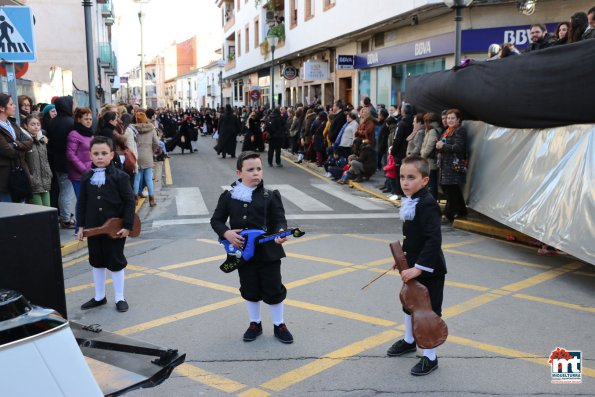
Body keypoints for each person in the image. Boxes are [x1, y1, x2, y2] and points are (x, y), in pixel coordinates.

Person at [210, 151, 293, 344]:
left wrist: (281, 233)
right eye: (250, 170)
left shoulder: (270, 196)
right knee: (249, 288)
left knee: (273, 288)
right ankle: (254, 323)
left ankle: (279, 324)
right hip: (242, 252)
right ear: (239, 172)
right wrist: (227, 233)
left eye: (259, 169)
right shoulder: (229, 196)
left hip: (269, 253)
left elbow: (279, 220)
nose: (256, 173)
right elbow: (216, 220)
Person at [386, 154, 447, 376]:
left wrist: (418, 268)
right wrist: (402, 260)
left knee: (427, 312)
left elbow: (433, 240)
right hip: (411, 265)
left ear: (425, 180)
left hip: (429, 269)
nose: (405, 182)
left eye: (411, 177)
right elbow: (412, 237)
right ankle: (409, 340)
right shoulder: (412, 200)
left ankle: (430, 357)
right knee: (410, 304)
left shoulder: (428, 204)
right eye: (402, 177)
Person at [76, 135, 136, 313]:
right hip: (93, 227)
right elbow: (82, 203)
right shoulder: (86, 177)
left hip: (115, 229)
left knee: (115, 261)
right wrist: (80, 226)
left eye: (104, 153)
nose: (100, 157)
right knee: (97, 261)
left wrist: (127, 225)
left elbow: (129, 201)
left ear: (111, 155)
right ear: (90, 155)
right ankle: (99, 296)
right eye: (96, 153)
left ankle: (119, 297)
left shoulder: (120, 177)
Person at [46, 96, 76, 228]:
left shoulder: (52, 122)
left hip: (56, 160)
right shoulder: (71, 122)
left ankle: (64, 214)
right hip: (68, 162)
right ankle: (66, 218)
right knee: (67, 191)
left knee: (62, 189)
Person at [436, 109, 468, 223]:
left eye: (452, 118)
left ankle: (448, 214)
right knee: (452, 189)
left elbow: (459, 147)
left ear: (458, 119)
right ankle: (462, 211)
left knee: (450, 190)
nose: (449, 120)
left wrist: (443, 146)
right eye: (448, 118)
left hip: (454, 165)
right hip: (445, 165)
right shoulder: (447, 131)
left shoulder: (460, 131)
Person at [0, 93, 33, 203]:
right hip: (5, 178)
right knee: (8, 213)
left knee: (21, 211)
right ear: (1, 108)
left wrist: (16, 144)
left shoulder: (12, 123)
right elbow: (8, 151)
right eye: (11, 104)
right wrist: (21, 149)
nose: (14, 106)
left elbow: (29, 141)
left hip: (20, 174)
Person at [66, 107, 94, 225]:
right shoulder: (74, 134)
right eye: (86, 119)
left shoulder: (90, 134)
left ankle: (87, 225)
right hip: (78, 175)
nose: (88, 121)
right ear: (79, 119)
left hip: (90, 172)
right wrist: (83, 169)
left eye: (90, 119)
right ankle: (79, 227)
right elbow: (70, 154)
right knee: (81, 201)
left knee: (88, 201)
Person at [23, 115, 52, 206]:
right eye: (32, 124)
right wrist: (30, 177)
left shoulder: (42, 140)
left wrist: (49, 173)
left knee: (47, 208)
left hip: (45, 181)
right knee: (39, 212)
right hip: (33, 183)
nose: (36, 126)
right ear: (26, 126)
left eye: (38, 124)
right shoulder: (24, 141)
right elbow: (23, 162)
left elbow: (46, 160)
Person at [133, 111, 160, 207]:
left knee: (137, 179)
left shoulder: (133, 129)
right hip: (148, 155)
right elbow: (157, 143)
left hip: (136, 156)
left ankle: (135, 199)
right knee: (148, 179)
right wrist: (152, 151)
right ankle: (152, 200)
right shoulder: (151, 129)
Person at [420, 112, 442, 199]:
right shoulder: (436, 129)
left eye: (425, 121)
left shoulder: (433, 131)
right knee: (431, 183)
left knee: (431, 183)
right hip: (431, 161)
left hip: (430, 162)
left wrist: (423, 155)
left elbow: (429, 146)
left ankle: (431, 202)